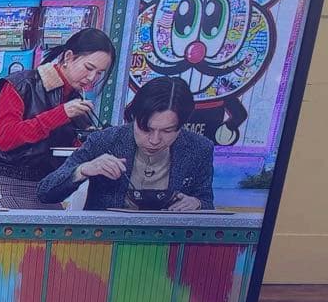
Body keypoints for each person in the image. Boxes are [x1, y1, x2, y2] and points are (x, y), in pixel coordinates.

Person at [0, 28, 115, 209]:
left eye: (99, 73)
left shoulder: (75, 98)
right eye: (89, 68)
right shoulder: (21, 84)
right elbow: (5, 138)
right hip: (9, 184)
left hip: (50, 189)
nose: (92, 78)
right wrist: (60, 114)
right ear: (68, 57)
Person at [37, 76, 214, 211]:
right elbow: (45, 192)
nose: (154, 140)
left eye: (167, 131)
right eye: (145, 129)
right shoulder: (105, 141)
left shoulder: (199, 148)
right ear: (134, 117)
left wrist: (197, 203)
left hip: (169, 243)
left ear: (181, 126)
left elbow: (206, 201)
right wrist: (82, 170)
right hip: (104, 241)